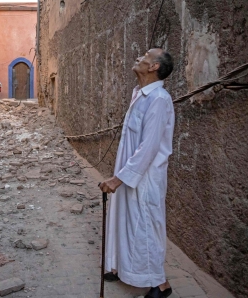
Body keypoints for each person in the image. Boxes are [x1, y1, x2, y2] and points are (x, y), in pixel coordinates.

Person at [99, 48, 175, 298]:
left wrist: (118, 179)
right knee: (124, 220)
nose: (139, 57)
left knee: (146, 227)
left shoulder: (159, 99)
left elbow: (149, 148)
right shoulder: (140, 94)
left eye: (145, 55)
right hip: (130, 172)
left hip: (146, 177)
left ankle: (159, 283)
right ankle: (119, 267)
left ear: (154, 67)